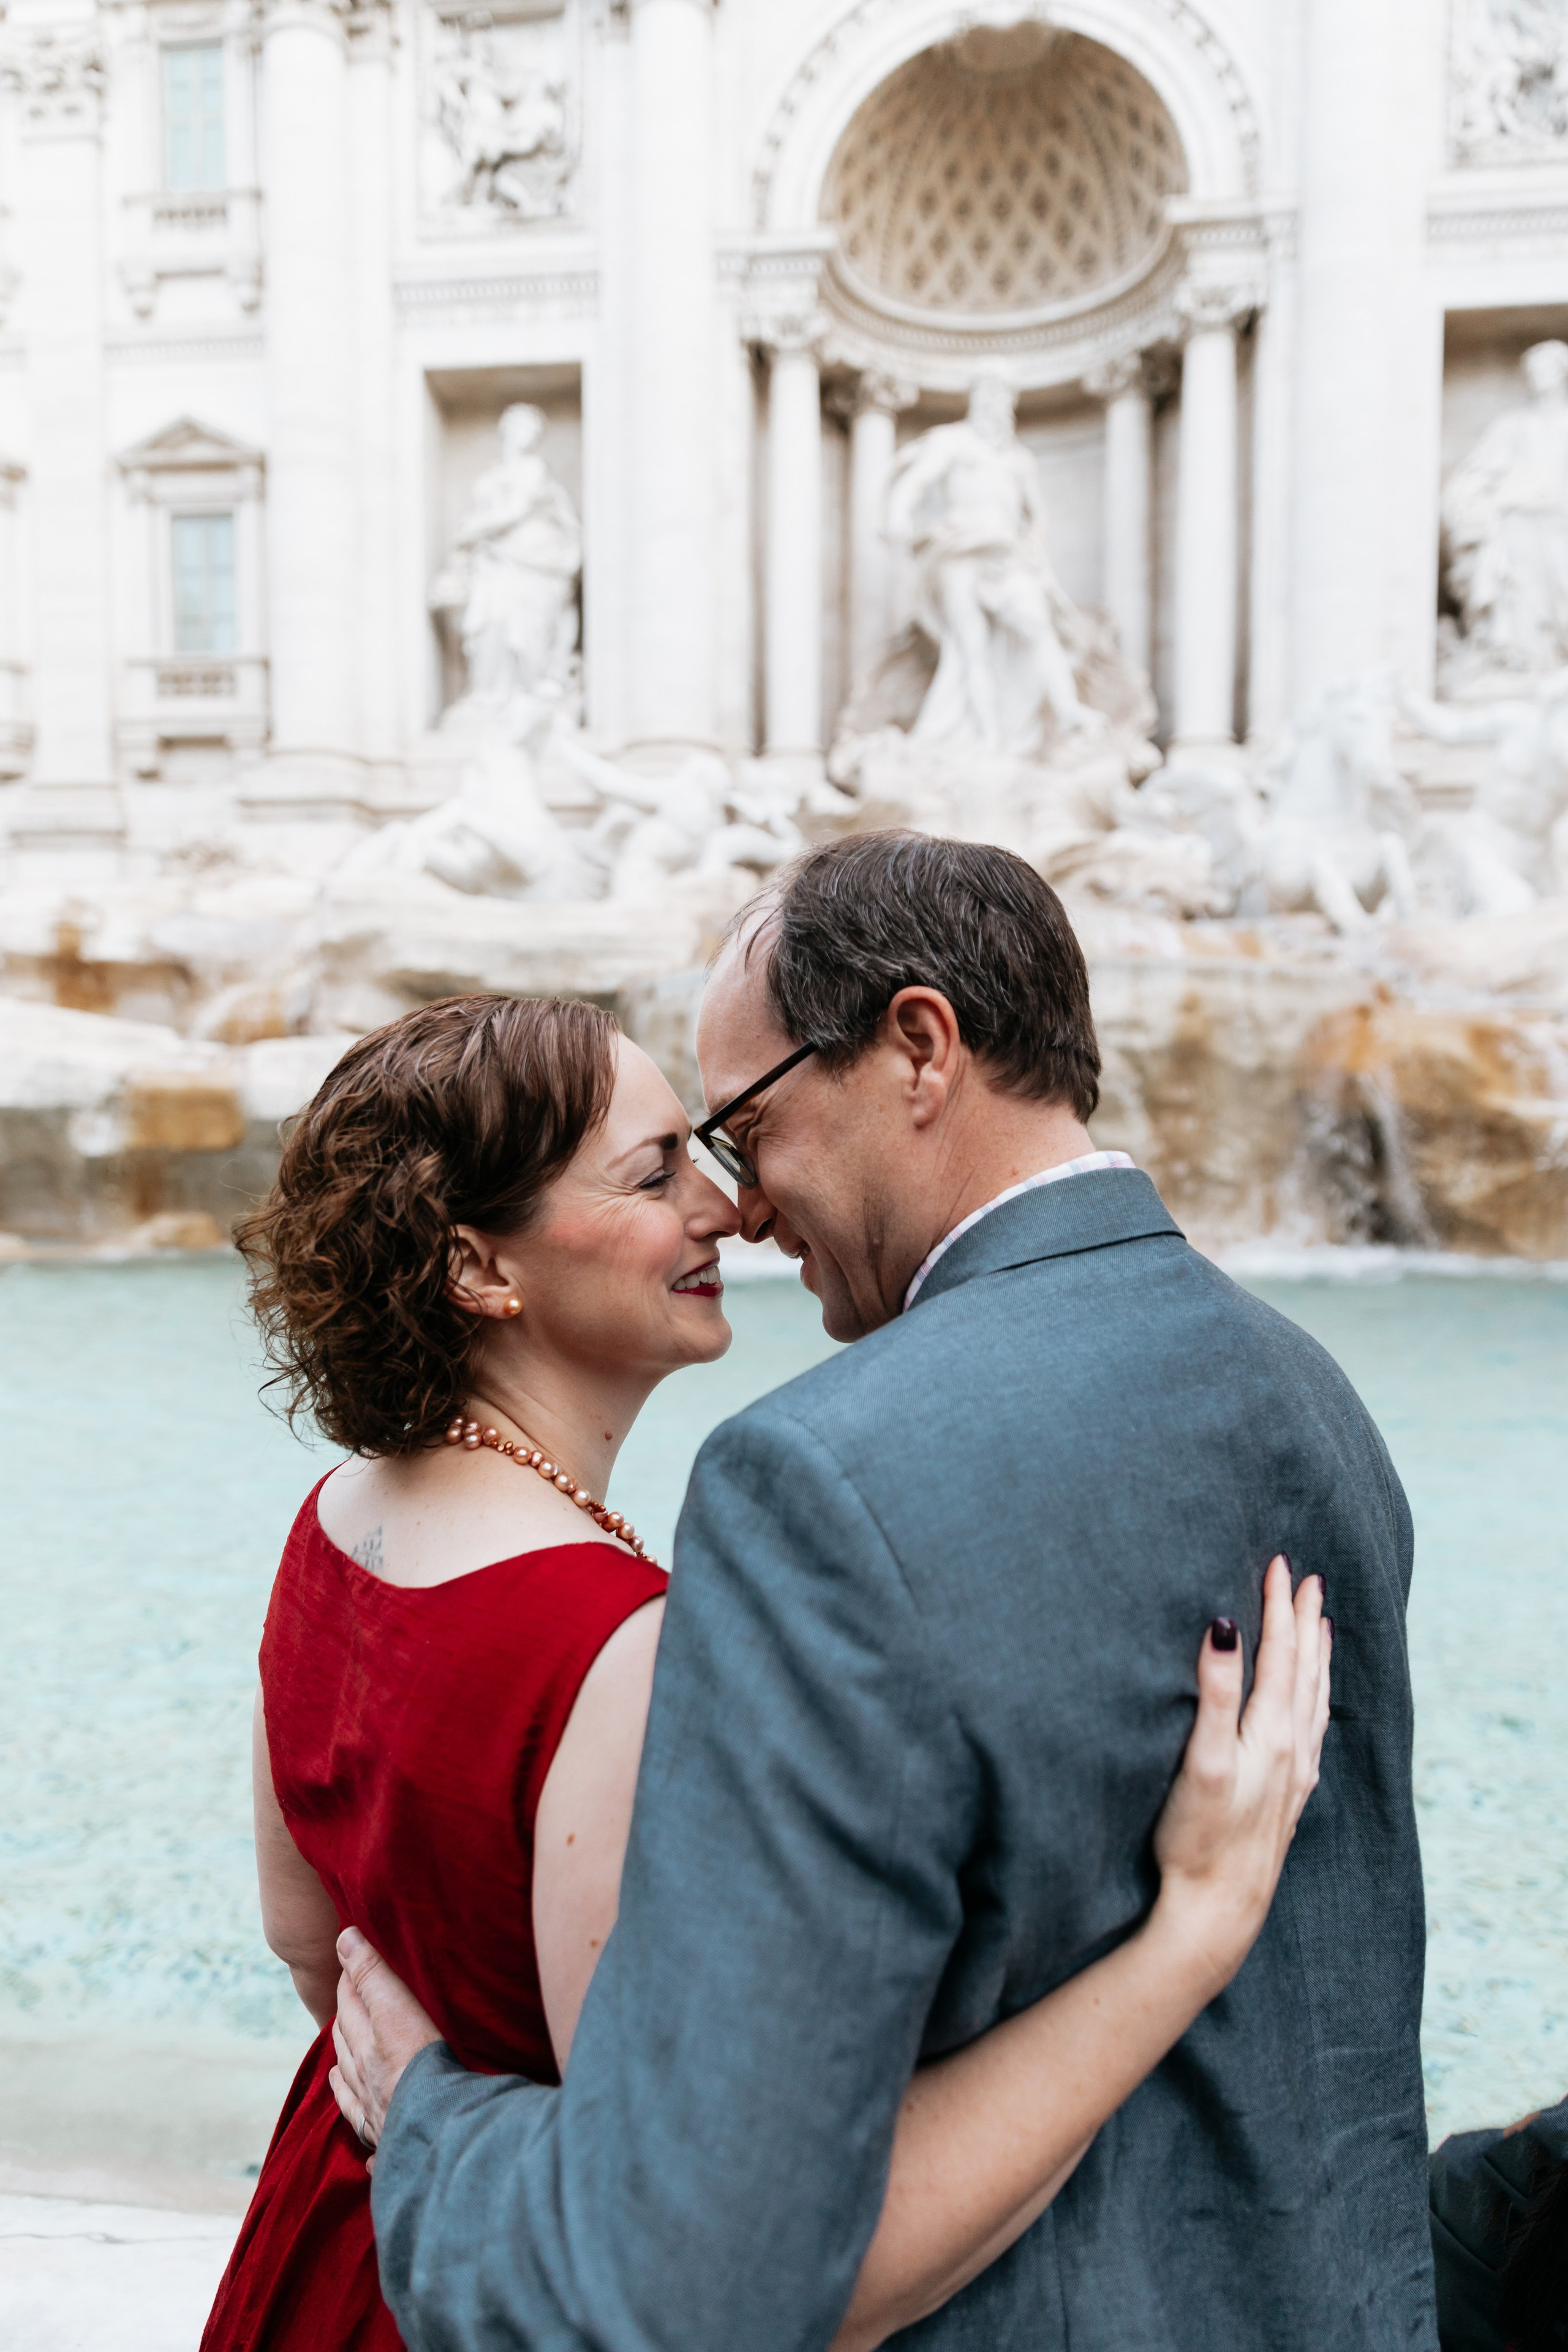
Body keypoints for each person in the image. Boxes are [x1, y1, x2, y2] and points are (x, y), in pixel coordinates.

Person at [336, 833, 1437, 2351]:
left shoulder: (810, 1483)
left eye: (745, 1127)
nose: (750, 1209)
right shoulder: (1314, 1405)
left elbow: (692, 2286)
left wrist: (436, 2134)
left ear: (918, 1049)